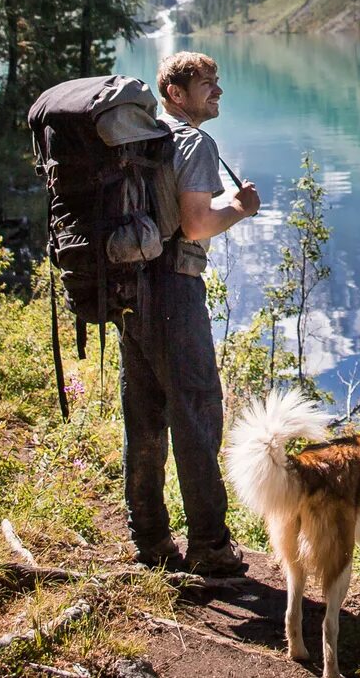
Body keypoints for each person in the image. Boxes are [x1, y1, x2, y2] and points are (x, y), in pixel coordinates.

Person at [121, 50, 262, 575]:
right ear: (175, 94)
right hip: (174, 289)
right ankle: (209, 544)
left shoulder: (141, 139)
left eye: (217, 82)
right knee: (198, 412)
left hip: (130, 284)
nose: (218, 92)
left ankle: (151, 539)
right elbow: (198, 223)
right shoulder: (193, 140)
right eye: (207, 84)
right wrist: (240, 208)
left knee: (144, 413)